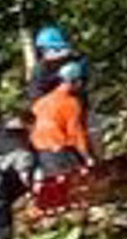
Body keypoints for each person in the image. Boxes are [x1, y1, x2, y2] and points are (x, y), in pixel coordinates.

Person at [21, 49, 98, 207]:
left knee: (53, 180)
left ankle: (48, 205)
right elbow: (76, 133)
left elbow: (32, 121)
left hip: (39, 146)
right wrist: (87, 157)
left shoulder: (42, 101)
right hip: (57, 145)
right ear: (74, 82)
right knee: (74, 175)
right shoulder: (71, 103)